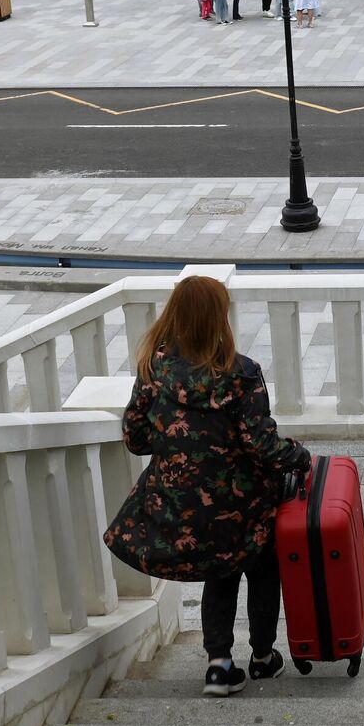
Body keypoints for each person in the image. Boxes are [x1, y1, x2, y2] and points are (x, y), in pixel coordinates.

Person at [108, 275, 311, 698]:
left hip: (182, 506)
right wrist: (299, 456)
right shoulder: (242, 373)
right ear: (219, 317)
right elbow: (261, 444)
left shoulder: (153, 370)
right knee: (260, 564)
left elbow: (136, 439)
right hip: (243, 502)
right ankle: (262, 656)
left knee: (221, 572)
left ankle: (219, 665)